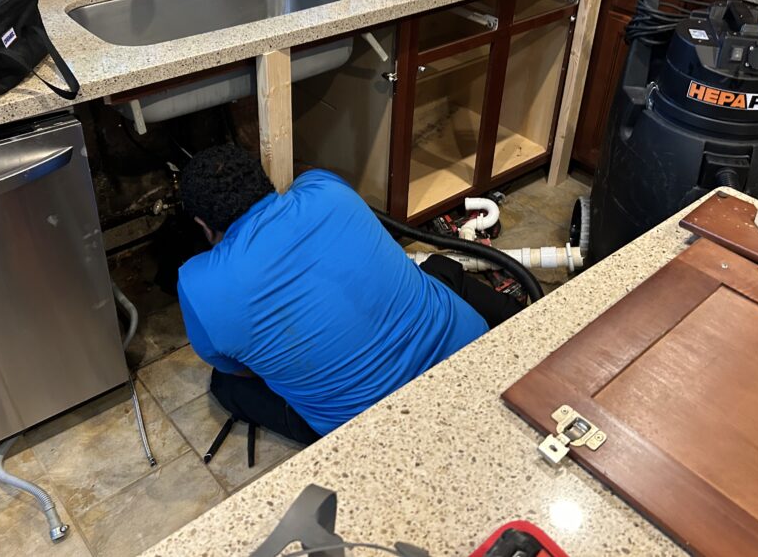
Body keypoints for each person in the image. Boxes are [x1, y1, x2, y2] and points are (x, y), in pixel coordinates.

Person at [177, 144, 523, 444]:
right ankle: (520, 318)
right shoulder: (325, 189)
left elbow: (243, 371)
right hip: (467, 351)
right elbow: (306, 177)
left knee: (225, 385)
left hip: (369, 429)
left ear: (202, 225)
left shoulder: (197, 286)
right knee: (438, 268)